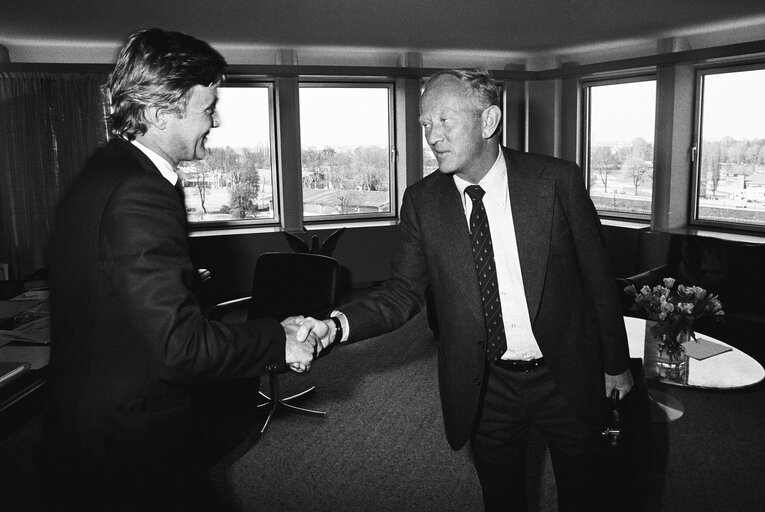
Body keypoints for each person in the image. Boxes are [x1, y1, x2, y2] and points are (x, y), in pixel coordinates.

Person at [298, 69, 634, 511]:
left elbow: (598, 280)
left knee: (586, 495)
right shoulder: (422, 201)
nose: (431, 136)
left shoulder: (555, 181)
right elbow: (400, 295)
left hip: (566, 375)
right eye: (424, 124)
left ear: (489, 120)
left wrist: (615, 364)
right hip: (485, 388)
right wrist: (335, 326)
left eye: (443, 121)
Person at [37, 28, 321, 511]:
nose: (216, 120)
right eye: (208, 108)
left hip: (90, 425)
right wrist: (279, 337)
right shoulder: (138, 191)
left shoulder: (104, 171)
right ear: (159, 110)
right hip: (124, 441)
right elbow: (179, 347)